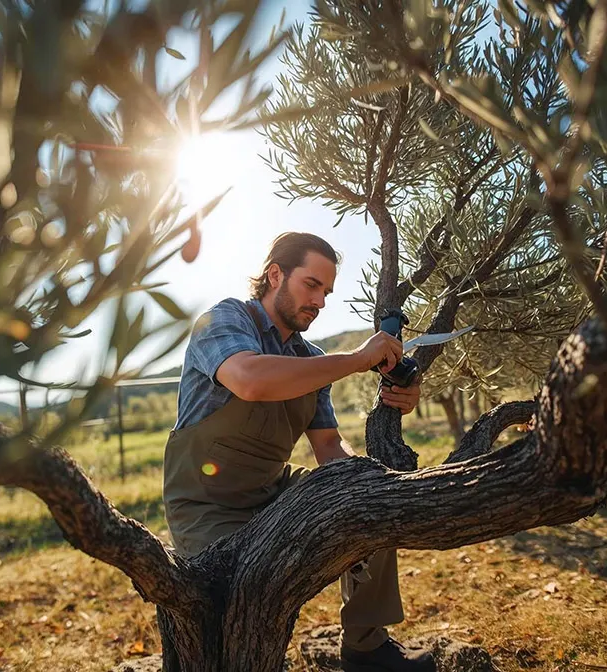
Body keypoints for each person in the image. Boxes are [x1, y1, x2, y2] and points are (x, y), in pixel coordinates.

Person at [162, 232, 436, 672]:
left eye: (326, 292)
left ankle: (366, 647)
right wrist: (356, 359)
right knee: (236, 593)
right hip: (205, 505)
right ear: (275, 275)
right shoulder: (224, 320)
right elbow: (250, 379)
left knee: (370, 499)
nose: (321, 302)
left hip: (272, 492)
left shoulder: (310, 357)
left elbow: (327, 445)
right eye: (312, 285)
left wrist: (364, 483)